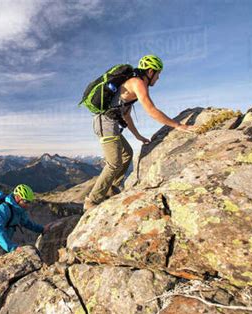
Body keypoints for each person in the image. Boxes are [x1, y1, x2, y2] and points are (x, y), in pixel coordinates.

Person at [83, 55, 198, 212]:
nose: (158, 78)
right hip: (105, 124)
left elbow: (126, 115)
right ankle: (92, 200)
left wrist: (137, 136)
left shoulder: (133, 85)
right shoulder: (137, 83)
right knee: (114, 163)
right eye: (158, 74)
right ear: (150, 71)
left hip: (110, 124)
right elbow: (151, 110)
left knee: (127, 154)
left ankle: (111, 188)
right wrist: (177, 125)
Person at [0, 184, 52, 262]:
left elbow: (27, 223)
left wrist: (42, 229)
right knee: (8, 260)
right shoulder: (3, 209)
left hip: (0, 243)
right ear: (17, 198)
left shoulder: (19, 210)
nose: (28, 205)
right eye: (26, 201)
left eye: (30, 202)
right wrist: (12, 247)